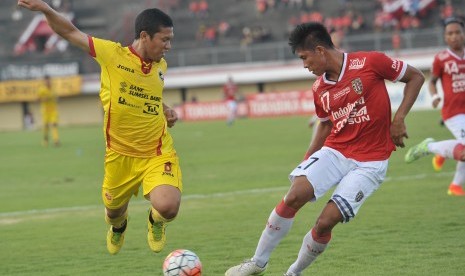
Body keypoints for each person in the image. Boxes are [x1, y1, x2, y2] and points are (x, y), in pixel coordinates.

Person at [225, 22, 424, 276]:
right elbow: (325, 124)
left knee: (325, 222)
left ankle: (293, 272)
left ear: (320, 50)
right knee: (295, 194)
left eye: (304, 58)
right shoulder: (319, 88)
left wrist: (399, 118)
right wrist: (308, 159)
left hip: (370, 161)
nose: (305, 65)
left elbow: (416, 76)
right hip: (336, 151)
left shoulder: (370, 62)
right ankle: (257, 262)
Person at [18, 0, 182, 255]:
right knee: (113, 213)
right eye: (164, 39)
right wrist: (46, 10)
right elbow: (70, 32)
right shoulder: (112, 55)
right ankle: (119, 227)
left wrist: (165, 109)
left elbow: (150, 94)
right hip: (118, 155)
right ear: (144, 36)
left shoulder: (160, 65)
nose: (168, 46)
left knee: (168, 206)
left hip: (156, 152)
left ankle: (155, 221)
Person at [407, 17, 465, 196]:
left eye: (457, 32)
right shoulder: (441, 59)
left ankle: (454, 185)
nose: (454, 36)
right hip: (453, 112)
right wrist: (435, 96)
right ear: (445, 37)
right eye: (450, 33)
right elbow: (432, 82)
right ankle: (430, 147)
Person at [37, 75, 60, 146]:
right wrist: (44, 99)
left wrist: (56, 99)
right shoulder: (41, 90)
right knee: (46, 126)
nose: (48, 82)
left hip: (53, 110)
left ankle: (56, 141)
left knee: (54, 124)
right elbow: (37, 99)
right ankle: (45, 139)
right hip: (45, 111)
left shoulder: (53, 89)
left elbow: (57, 98)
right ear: (44, 81)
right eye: (46, 80)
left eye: (49, 80)